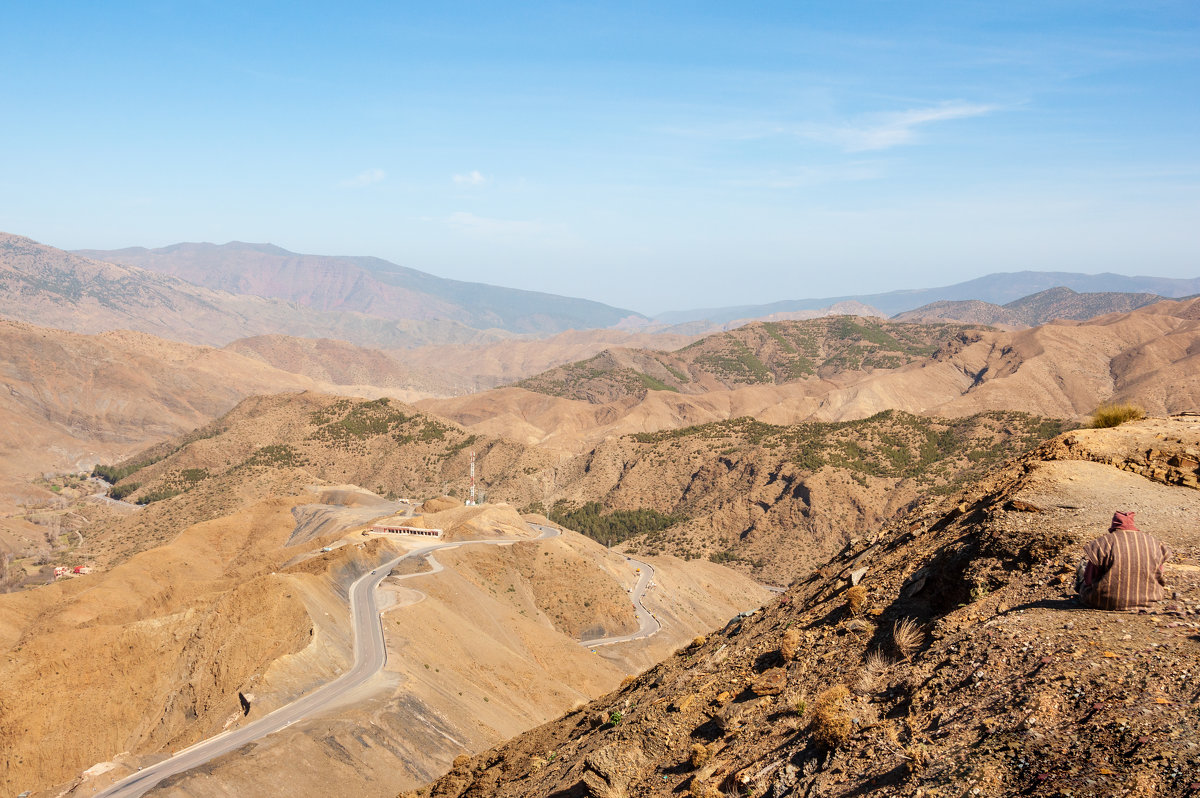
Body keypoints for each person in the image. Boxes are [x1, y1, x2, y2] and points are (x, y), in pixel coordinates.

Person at [1076, 511, 1170, 611]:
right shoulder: (1154, 543)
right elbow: (1159, 574)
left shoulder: (1102, 543)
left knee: (1082, 583)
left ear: (1114, 525)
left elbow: (1089, 579)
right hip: (1150, 599)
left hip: (1106, 601)